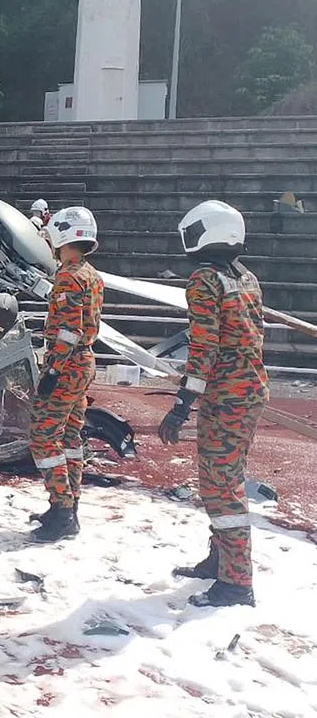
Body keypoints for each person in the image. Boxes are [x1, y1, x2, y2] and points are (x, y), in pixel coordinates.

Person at [159, 200, 268, 608]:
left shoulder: (204, 280)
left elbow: (204, 348)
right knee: (224, 477)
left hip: (226, 396)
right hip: (249, 389)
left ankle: (236, 583)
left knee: (221, 487)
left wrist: (181, 404)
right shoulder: (246, 277)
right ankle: (221, 560)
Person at [28, 206, 103, 543]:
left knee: (43, 436)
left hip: (68, 364)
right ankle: (69, 507)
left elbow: (69, 330)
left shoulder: (68, 276)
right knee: (70, 437)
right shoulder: (91, 274)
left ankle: (62, 510)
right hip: (83, 361)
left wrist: (53, 369)